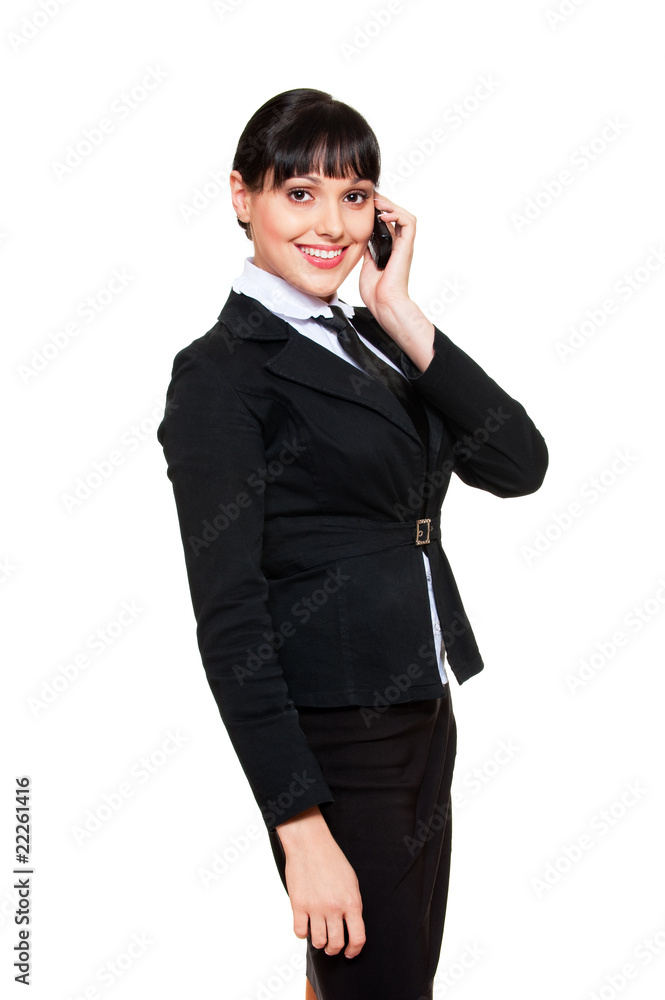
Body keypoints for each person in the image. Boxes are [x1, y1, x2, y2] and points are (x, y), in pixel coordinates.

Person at [156, 87, 548, 1000]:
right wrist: (298, 828)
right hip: (335, 740)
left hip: (421, 709)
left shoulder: (371, 339)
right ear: (242, 195)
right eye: (300, 193)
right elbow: (230, 618)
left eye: (355, 195)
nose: (331, 224)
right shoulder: (219, 373)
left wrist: (397, 307)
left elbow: (517, 463)